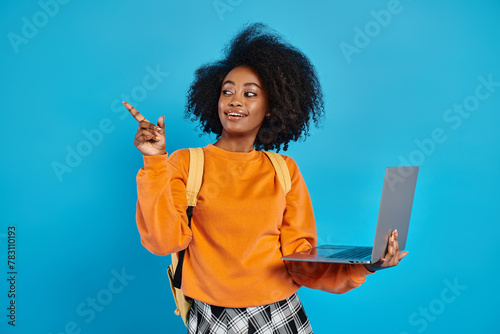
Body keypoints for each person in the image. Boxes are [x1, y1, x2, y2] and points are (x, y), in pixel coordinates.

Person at [124, 23, 408, 334]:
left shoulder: (284, 170)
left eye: (250, 94)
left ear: (270, 108)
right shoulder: (185, 163)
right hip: (214, 316)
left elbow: (300, 263)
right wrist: (153, 161)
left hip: (281, 315)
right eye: (227, 91)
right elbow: (165, 241)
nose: (235, 100)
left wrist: (366, 265)